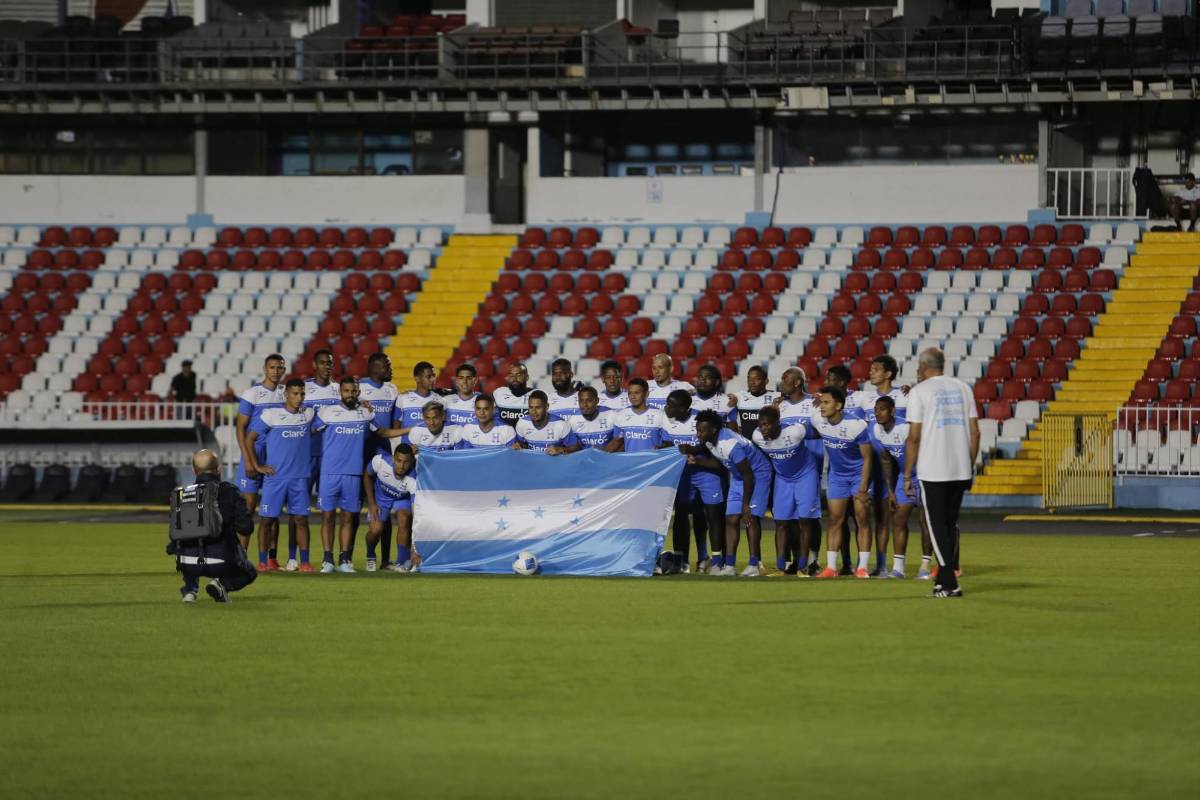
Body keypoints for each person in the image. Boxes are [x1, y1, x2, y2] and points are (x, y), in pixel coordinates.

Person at [904, 348, 980, 598]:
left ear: (924, 367)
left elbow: (914, 437)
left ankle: (948, 582)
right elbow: (975, 432)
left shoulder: (919, 392)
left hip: (933, 468)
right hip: (960, 467)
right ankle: (945, 580)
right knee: (949, 523)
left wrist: (907, 474)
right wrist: (969, 464)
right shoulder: (963, 388)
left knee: (936, 525)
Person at [311, 377, 406, 573]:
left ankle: (344, 560)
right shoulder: (327, 413)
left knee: (347, 517)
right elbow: (308, 430)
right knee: (327, 517)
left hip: (354, 474)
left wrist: (411, 429)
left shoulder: (365, 413)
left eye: (354, 391)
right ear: (341, 392)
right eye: (347, 391)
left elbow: (383, 432)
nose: (350, 394)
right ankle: (327, 560)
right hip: (329, 473)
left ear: (358, 392)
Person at [687, 410, 773, 576]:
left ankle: (754, 564)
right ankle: (730, 566)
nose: (698, 434)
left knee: (750, 518)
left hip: (757, 475)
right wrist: (697, 460)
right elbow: (721, 464)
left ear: (713, 430)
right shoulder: (711, 441)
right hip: (739, 476)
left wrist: (746, 505)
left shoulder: (729, 444)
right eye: (697, 430)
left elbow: (748, 474)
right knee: (731, 518)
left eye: (701, 431)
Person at [244, 378, 315, 573]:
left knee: (301, 520)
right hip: (275, 479)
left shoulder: (309, 414)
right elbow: (249, 439)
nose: (299, 398)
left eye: (302, 394)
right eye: (295, 394)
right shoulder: (271, 415)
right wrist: (257, 466)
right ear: (286, 395)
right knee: (267, 520)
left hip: (299, 478)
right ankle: (262, 562)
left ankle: (305, 562)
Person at [169, 449, 256, 603]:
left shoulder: (181, 494)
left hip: (186, 563)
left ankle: (190, 591)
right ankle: (221, 584)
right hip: (221, 563)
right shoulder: (230, 491)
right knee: (250, 572)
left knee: (190, 539)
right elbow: (246, 528)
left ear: (194, 470)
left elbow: (175, 535)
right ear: (218, 469)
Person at [847, 355, 908, 575]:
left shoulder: (903, 395)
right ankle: (863, 563)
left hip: (891, 464)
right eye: (870, 368)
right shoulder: (864, 397)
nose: (870, 372)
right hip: (868, 464)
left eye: (876, 369)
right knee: (863, 515)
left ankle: (883, 565)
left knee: (885, 517)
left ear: (888, 374)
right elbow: (839, 399)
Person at [810, 385, 874, 579]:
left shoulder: (857, 425)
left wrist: (863, 487)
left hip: (858, 475)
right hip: (837, 476)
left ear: (839, 405)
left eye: (826, 403)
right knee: (835, 520)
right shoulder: (818, 421)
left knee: (862, 519)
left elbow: (868, 458)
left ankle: (862, 568)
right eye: (822, 402)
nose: (822, 406)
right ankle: (831, 568)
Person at [660, 389, 724, 572]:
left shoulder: (700, 420)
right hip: (683, 474)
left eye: (671, 405)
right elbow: (667, 443)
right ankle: (682, 561)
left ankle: (712, 559)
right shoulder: (666, 421)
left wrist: (692, 450)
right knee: (681, 514)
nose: (667, 408)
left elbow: (711, 442)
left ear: (684, 408)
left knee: (710, 515)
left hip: (705, 471)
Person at [871, 396, 933, 580]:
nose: (877, 413)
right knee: (898, 519)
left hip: (925, 476)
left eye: (882, 409)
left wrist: (911, 478)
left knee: (925, 521)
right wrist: (891, 491)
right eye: (876, 409)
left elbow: (924, 452)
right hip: (903, 478)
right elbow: (886, 460)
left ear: (892, 411)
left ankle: (925, 566)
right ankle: (898, 569)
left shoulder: (905, 427)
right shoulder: (877, 430)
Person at [753, 405, 820, 575]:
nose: (764, 428)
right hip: (783, 478)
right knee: (780, 522)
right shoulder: (757, 437)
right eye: (761, 425)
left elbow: (819, 430)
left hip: (806, 475)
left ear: (778, 423)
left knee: (805, 520)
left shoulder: (795, 432)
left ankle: (803, 567)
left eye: (767, 424)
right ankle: (780, 567)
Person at [234, 354, 286, 554]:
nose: (276, 371)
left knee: (272, 511)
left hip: (275, 455)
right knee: (248, 508)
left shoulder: (285, 393)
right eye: (272, 367)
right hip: (253, 453)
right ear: (265, 369)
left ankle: (271, 557)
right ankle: (242, 555)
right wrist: (248, 460)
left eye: (280, 368)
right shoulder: (252, 393)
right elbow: (240, 428)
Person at [776, 367, 823, 575]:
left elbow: (821, 429)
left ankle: (813, 560)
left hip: (811, 463)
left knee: (810, 516)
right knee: (791, 517)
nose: (781, 382)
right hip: (788, 466)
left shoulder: (813, 403)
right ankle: (797, 559)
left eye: (785, 379)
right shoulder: (781, 406)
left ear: (797, 382)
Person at [298, 349, 339, 571]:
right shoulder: (304, 389)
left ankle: (327, 558)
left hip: (331, 458)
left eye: (329, 363)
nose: (326, 366)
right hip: (305, 456)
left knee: (328, 510)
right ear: (315, 364)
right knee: (299, 510)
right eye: (322, 362)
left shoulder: (338, 390)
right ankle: (296, 557)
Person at [359, 352, 400, 565]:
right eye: (387, 365)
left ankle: (384, 559)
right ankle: (346, 557)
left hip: (384, 454)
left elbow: (393, 425)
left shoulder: (393, 390)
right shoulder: (359, 388)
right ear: (375, 367)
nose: (391, 369)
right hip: (359, 454)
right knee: (353, 509)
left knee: (386, 507)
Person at [364, 444, 419, 573]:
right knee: (376, 530)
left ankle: (400, 563)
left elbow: (415, 511)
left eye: (406, 462)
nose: (401, 466)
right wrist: (371, 504)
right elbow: (366, 476)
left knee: (404, 519)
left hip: (401, 500)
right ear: (394, 458)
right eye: (399, 461)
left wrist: (414, 546)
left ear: (411, 462)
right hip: (380, 499)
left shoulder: (413, 478)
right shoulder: (380, 461)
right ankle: (370, 555)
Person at [607, 378, 664, 452]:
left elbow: (668, 442)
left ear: (646, 394)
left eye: (637, 393)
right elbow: (616, 442)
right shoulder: (621, 415)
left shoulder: (660, 414)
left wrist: (662, 447)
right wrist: (596, 454)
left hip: (653, 462)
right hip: (631, 463)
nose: (632, 397)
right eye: (630, 393)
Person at [395, 361, 442, 442]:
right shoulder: (403, 398)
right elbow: (396, 429)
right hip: (408, 451)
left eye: (434, 376)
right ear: (417, 378)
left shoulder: (440, 400)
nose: (433, 379)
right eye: (429, 376)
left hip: (429, 451)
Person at [731, 365, 779, 438]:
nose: (752, 382)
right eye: (749, 379)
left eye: (757, 379)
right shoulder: (738, 397)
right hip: (747, 445)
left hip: (769, 445)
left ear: (766, 381)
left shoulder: (776, 397)